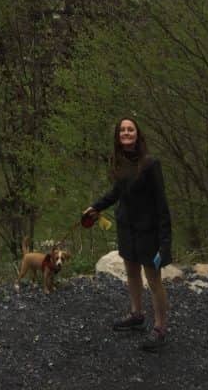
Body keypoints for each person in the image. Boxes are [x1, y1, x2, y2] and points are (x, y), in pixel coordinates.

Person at [82, 116, 172, 351]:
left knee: (154, 281)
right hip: (126, 228)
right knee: (132, 273)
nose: (126, 133)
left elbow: (162, 204)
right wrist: (95, 207)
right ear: (118, 136)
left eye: (130, 129)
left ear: (137, 134)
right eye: (122, 130)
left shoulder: (151, 164)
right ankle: (137, 314)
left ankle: (160, 328)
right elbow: (116, 192)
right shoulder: (118, 163)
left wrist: (165, 242)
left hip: (148, 231)